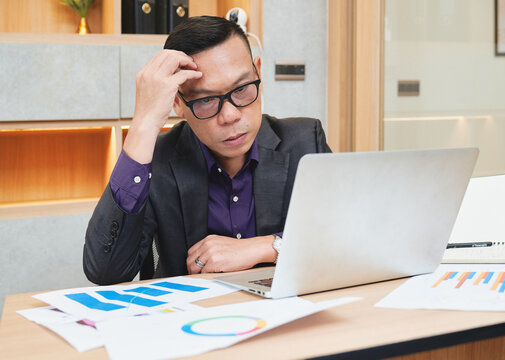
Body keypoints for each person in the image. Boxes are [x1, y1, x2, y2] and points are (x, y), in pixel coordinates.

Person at [83, 16, 331, 285]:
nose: (230, 115)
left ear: (258, 72)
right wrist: (143, 124)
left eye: (242, 89)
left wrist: (266, 247)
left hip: (288, 315)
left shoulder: (305, 143)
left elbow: (347, 235)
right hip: (187, 318)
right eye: (206, 100)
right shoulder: (155, 161)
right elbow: (105, 272)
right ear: (178, 103)